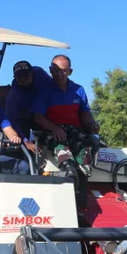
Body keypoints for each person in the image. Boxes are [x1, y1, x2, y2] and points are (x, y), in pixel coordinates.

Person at [31, 54, 100, 207]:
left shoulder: (78, 90)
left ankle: (81, 200)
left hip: (75, 131)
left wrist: (92, 126)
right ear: (50, 70)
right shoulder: (44, 91)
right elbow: (37, 117)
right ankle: (68, 201)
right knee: (68, 162)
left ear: (70, 71)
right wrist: (54, 127)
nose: (59, 74)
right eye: (55, 70)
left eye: (63, 70)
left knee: (85, 156)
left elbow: (85, 115)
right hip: (52, 131)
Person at [4, 60, 52, 153]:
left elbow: (54, 86)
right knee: (21, 132)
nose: (23, 79)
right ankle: (26, 158)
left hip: (44, 111)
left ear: (32, 74)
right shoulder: (14, 94)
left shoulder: (40, 74)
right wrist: (25, 141)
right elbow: (12, 120)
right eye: (19, 77)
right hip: (25, 115)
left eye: (26, 75)